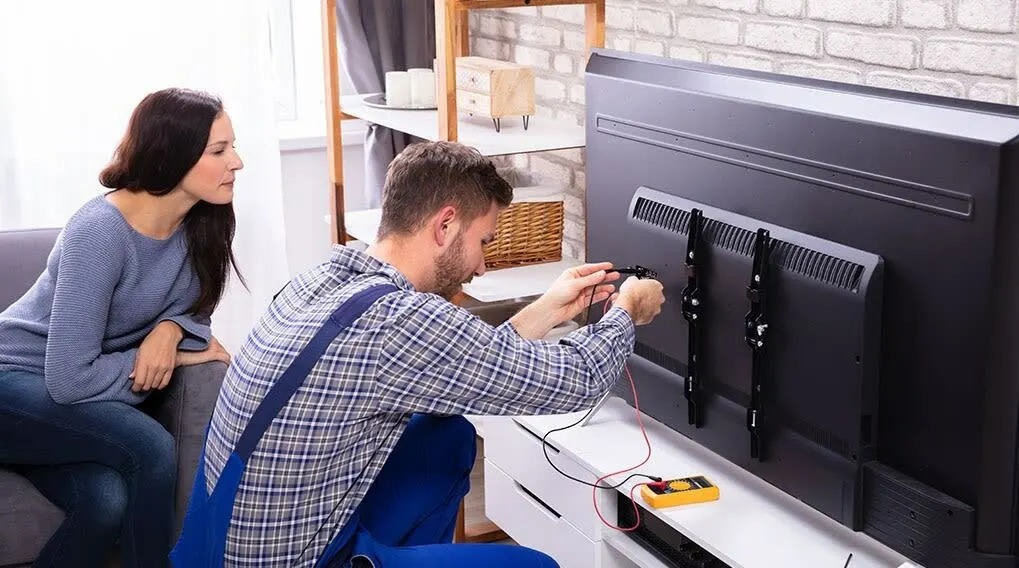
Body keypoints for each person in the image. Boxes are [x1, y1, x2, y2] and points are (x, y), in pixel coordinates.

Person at [174, 140, 665, 568]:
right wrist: (626, 310)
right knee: (536, 565)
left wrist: (545, 310)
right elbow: (575, 379)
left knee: (445, 436)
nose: (481, 265)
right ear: (446, 225)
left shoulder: (325, 280)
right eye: (483, 242)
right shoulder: (399, 324)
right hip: (298, 559)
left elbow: (453, 360)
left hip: (218, 549)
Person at [0, 88, 241, 568]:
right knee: (150, 445)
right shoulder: (101, 232)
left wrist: (169, 332)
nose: (237, 161)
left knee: (104, 501)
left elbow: (195, 312)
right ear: (171, 156)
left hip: (57, 400)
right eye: (219, 151)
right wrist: (170, 356)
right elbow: (70, 381)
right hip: (11, 383)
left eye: (232, 146)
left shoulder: (200, 223)